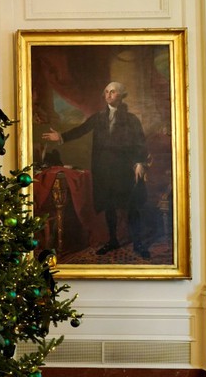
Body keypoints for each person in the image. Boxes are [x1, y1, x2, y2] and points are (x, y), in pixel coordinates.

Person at [41, 81, 150, 258]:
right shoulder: (98, 117)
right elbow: (81, 130)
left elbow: (140, 142)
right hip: (104, 170)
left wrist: (139, 163)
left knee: (131, 206)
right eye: (106, 91)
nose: (108, 94)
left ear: (121, 96)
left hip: (124, 170)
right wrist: (60, 136)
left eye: (112, 92)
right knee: (109, 206)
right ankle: (113, 240)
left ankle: (138, 243)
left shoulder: (131, 119)